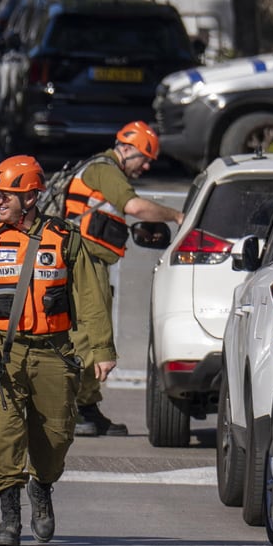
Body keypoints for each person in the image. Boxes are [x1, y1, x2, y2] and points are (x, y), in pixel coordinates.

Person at [0, 155, 116, 546]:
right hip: (1, 355)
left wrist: (102, 348)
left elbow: (90, 296)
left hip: (54, 353)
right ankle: (9, 519)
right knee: (5, 435)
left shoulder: (65, 238)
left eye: (7, 195)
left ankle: (43, 487)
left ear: (33, 197)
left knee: (55, 439)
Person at [63, 120, 184, 437]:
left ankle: (86, 406)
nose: (145, 166)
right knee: (88, 336)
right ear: (126, 148)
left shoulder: (102, 171)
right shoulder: (105, 169)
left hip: (89, 262)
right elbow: (135, 206)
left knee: (93, 333)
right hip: (83, 264)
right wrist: (176, 216)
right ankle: (72, 408)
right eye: (144, 157)